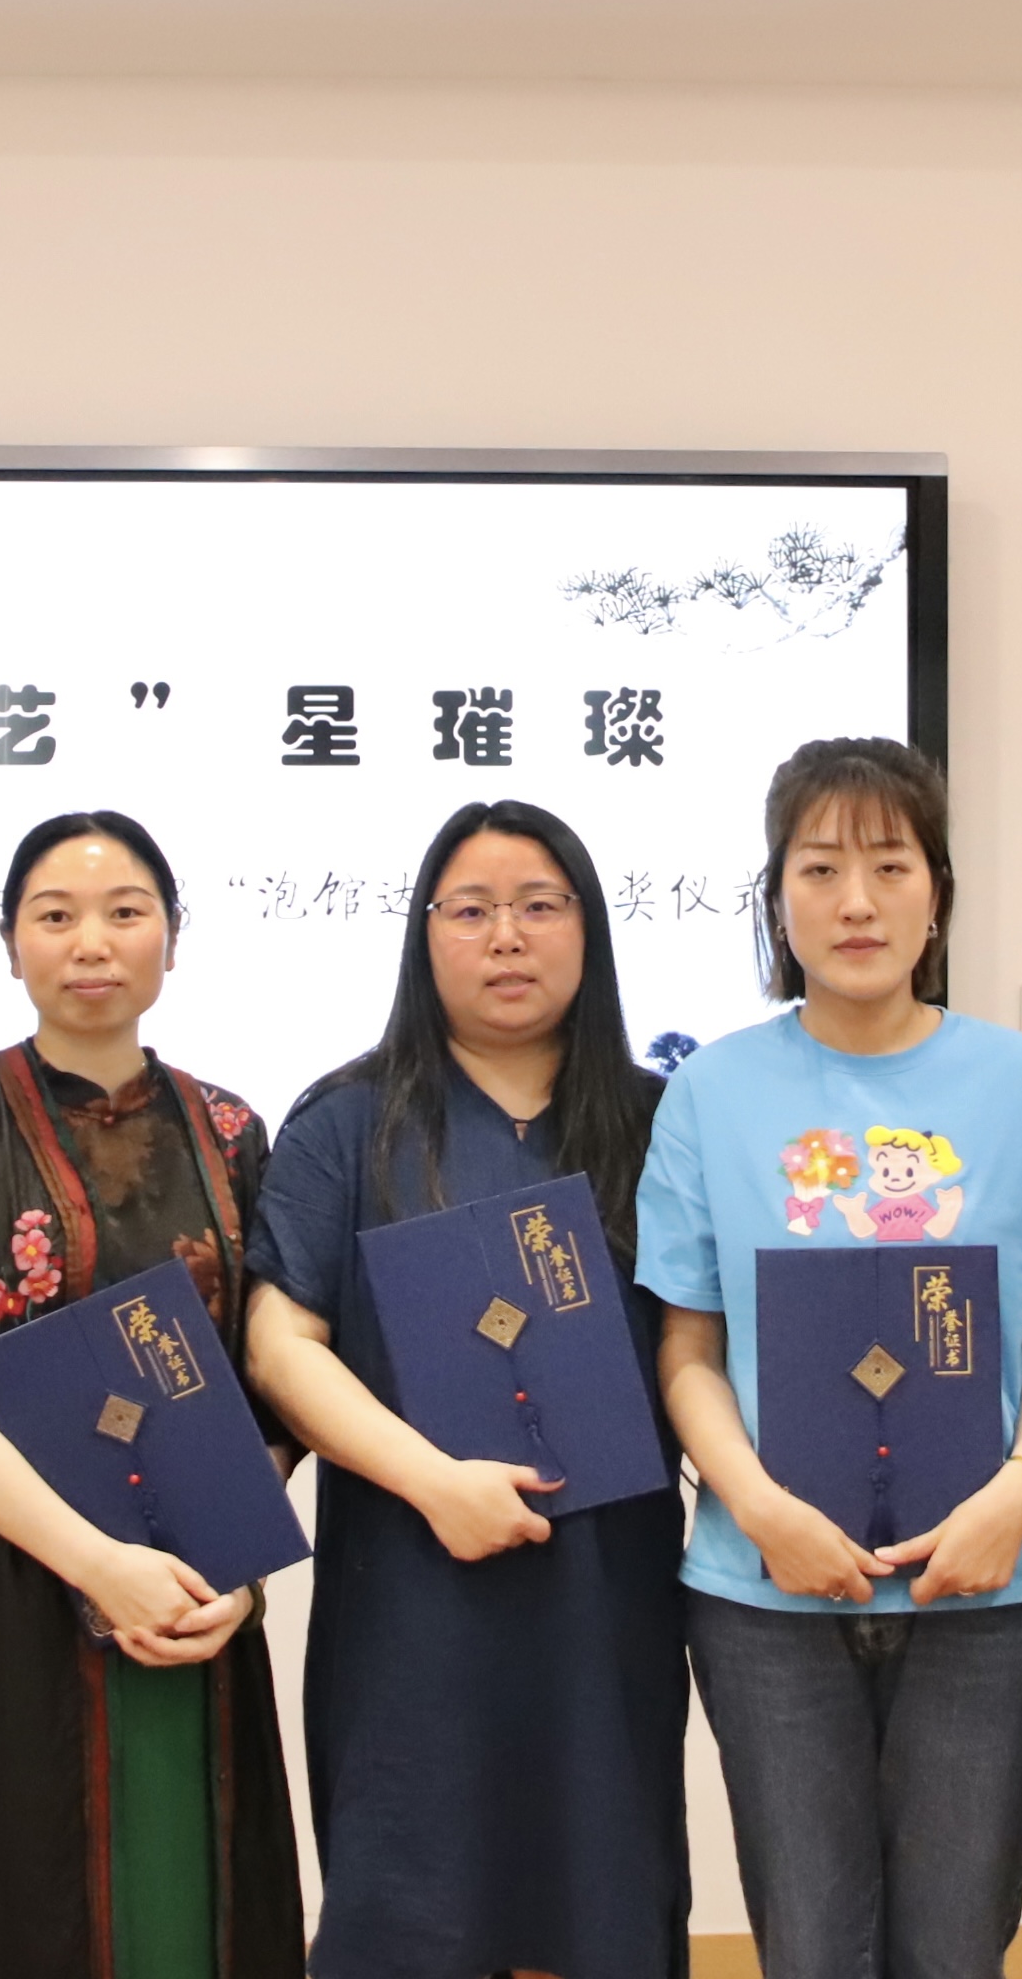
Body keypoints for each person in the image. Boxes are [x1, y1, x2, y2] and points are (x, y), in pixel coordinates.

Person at [633, 738, 1022, 1979]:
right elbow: (688, 1344)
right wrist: (761, 1510)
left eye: (890, 865)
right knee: (812, 1947)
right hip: (766, 1595)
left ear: (937, 892)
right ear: (775, 894)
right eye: (820, 867)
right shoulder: (709, 1092)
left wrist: (1019, 1493)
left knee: (955, 1946)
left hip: (983, 1590)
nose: (856, 901)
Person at [0, 810, 304, 1979]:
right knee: (0, 1906)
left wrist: (235, 1573)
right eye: (55, 915)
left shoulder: (234, 1133)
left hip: (195, 1595)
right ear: (11, 944)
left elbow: (273, 1379)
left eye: (125, 912)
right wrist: (99, 1563)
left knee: (194, 1907)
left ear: (172, 938)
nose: (91, 941)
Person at [243, 800, 691, 1979]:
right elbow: (280, 1343)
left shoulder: (660, 1125)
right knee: (411, 1910)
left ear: (588, 928)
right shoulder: (346, 1121)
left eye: (540, 905)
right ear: (423, 931)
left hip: (606, 1596)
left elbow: (704, 1350)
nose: (507, 936)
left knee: (603, 1908)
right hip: (411, 1589)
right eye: (472, 909)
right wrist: (434, 1481)